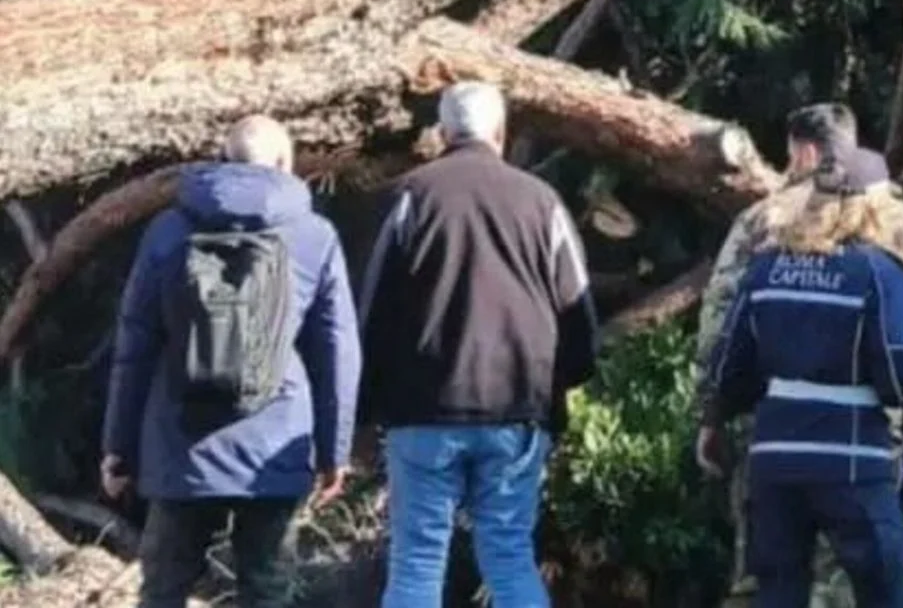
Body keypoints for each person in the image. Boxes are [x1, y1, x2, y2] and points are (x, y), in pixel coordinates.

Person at [691, 104, 903, 607]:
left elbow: (720, 325)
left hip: (773, 431)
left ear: (807, 153)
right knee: (857, 581)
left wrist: (711, 414)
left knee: (768, 578)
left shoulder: (765, 220)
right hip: (869, 436)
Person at [101, 115, 362, 608]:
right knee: (267, 589)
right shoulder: (314, 235)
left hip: (181, 441)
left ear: (223, 158)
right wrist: (334, 450)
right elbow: (337, 349)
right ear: (286, 165)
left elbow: (135, 344)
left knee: (164, 590)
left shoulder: (167, 229)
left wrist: (119, 446)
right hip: (275, 445)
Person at [359, 81, 600, 608]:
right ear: (501, 132)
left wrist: (366, 402)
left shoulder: (409, 196)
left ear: (442, 132)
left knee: (417, 562)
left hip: (423, 409)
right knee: (510, 556)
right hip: (516, 410)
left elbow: (372, 310)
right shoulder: (543, 203)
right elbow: (577, 311)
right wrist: (560, 387)